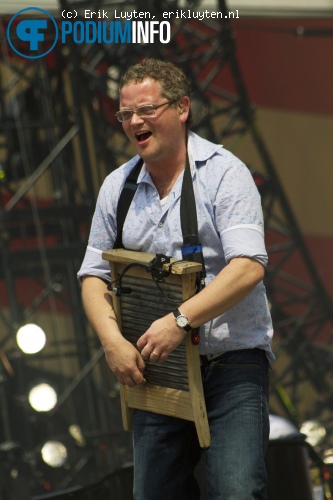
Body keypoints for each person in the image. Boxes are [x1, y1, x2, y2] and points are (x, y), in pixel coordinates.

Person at [78, 58, 274, 500]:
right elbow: (92, 276)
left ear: (182, 107)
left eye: (146, 110)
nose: (134, 122)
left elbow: (248, 266)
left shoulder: (225, 174)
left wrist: (179, 321)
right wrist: (112, 342)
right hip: (157, 373)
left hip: (232, 363)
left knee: (236, 492)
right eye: (125, 114)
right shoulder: (117, 187)